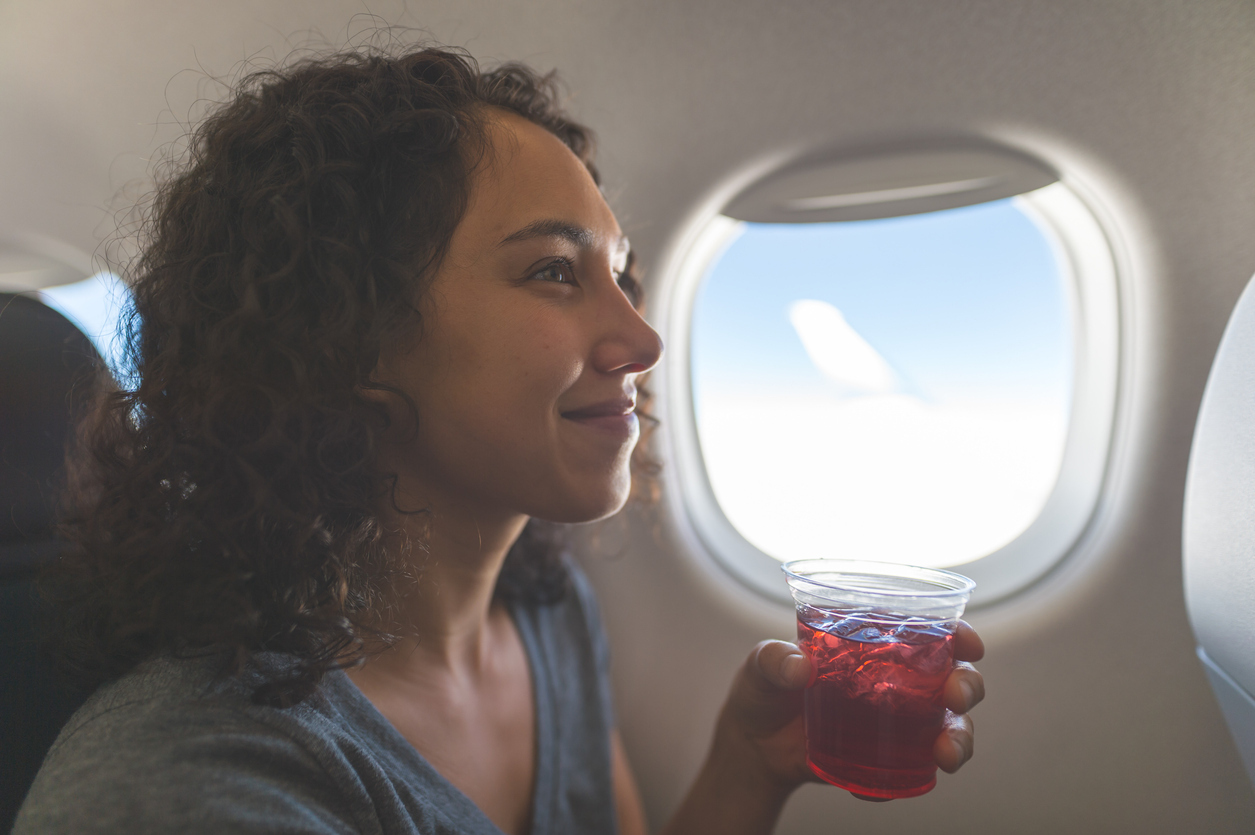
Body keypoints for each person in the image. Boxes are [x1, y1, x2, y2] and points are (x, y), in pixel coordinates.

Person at [14, 45, 985, 835]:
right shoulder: (194, 789)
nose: (642, 338)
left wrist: (745, 768)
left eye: (624, 273)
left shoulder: (545, 613)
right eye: (555, 274)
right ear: (348, 331)